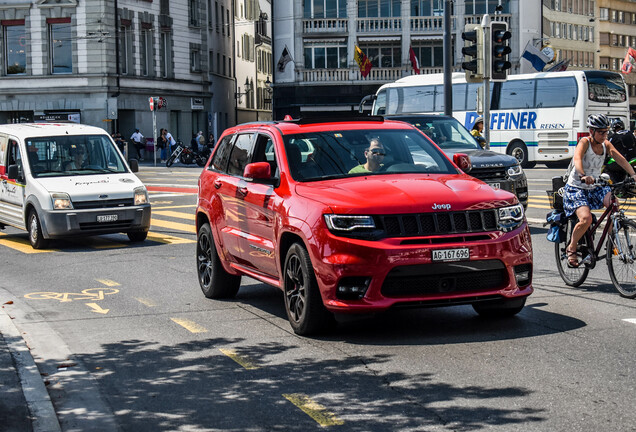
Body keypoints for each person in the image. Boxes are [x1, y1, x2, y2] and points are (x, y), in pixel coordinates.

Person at [563, 114, 636, 267]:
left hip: (595, 186)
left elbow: (620, 159)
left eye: (606, 132)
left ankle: (610, 241)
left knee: (613, 204)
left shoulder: (606, 144)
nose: (604, 135)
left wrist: (634, 175)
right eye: (601, 132)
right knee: (586, 219)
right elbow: (577, 159)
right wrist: (583, 175)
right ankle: (572, 247)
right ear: (592, 131)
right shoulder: (584, 142)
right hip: (577, 187)